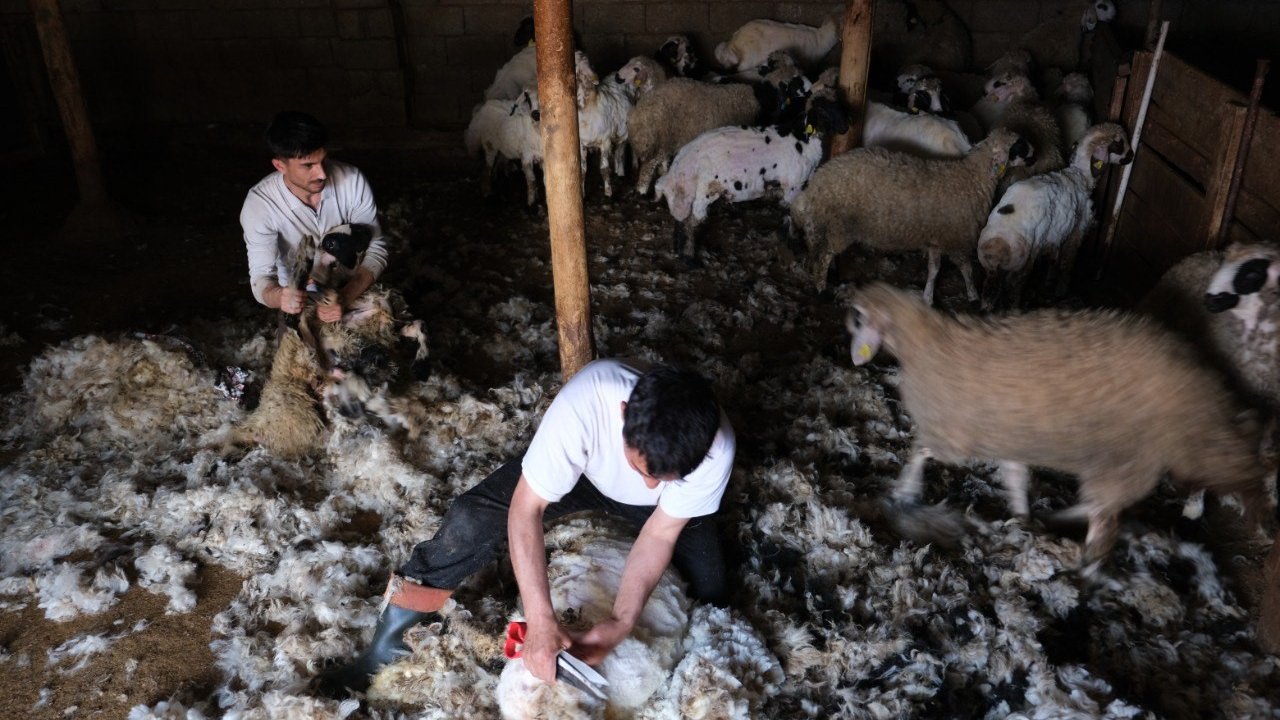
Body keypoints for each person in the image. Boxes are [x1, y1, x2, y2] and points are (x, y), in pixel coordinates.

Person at [317, 359, 735, 695]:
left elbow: (660, 531)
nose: (646, 485)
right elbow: (526, 508)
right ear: (623, 414)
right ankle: (387, 641)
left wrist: (622, 621)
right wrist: (540, 620)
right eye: (640, 468)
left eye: (663, 476)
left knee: (713, 589)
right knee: (471, 517)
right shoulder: (588, 400)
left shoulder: (714, 448)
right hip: (585, 475)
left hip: (665, 512)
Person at [240, 111, 389, 323]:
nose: (321, 174)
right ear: (280, 166)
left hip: (353, 286)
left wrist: (345, 297)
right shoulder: (260, 205)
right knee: (303, 353)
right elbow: (261, 278)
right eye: (308, 166)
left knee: (385, 329)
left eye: (323, 160)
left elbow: (376, 247)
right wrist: (282, 297)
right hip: (299, 298)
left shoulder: (352, 180)